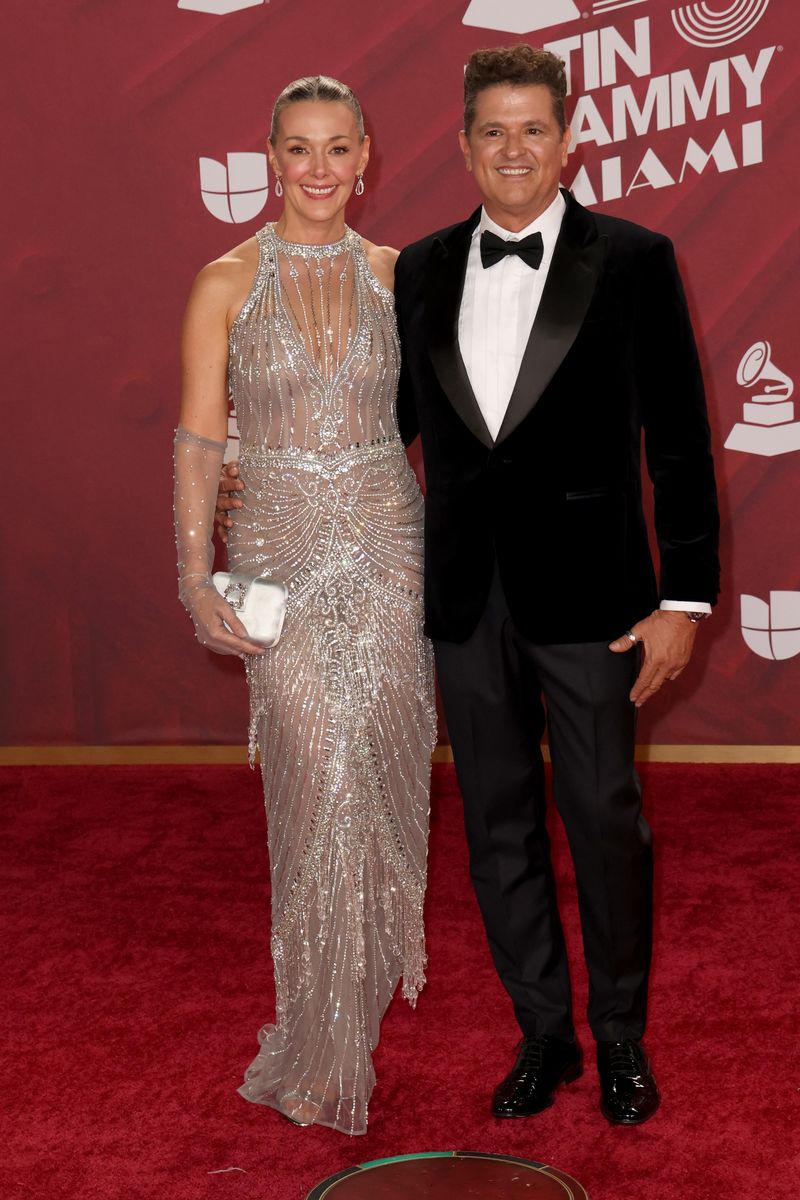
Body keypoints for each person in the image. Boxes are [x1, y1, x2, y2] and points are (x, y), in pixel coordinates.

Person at [391, 45, 720, 1126]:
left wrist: (683, 600)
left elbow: (675, 440)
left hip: (594, 603)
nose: (514, 148)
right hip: (464, 601)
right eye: (493, 130)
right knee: (496, 827)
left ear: (570, 138)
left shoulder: (632, 258)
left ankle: (619, 1037)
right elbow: (393, 428)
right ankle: (544, 1035)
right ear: (463, 144)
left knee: (602, 821)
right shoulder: (421, 267)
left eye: (534, 128)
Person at [173, 75, 435, 1137]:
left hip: (389, 556)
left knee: (371, 785)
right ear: (271, 157)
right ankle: (318, 1037)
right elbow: (198, 438)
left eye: (336, 148)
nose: (318, 169)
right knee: (315, 779)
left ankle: (345, 1026)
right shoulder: (223, 282)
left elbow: (453, 425)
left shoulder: (397, 279)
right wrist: (195, 573)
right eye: (297, 149)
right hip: (275, 560)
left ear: (365, 154)